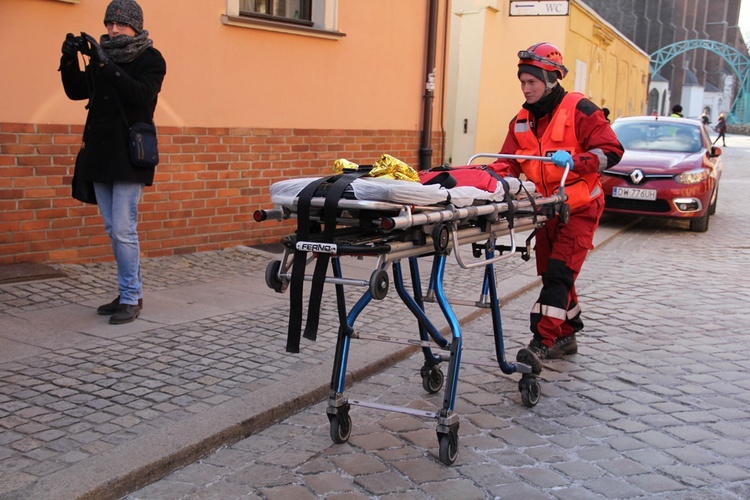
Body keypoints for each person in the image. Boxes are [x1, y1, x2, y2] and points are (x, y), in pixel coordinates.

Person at [489, 42, 623, 374]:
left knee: (559, 273)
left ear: (550, 79)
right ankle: (567, 334)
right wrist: (487, 182)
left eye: (531, 82)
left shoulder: (580, 109)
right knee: (553, 273)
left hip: (581, 207)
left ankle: (542, 342)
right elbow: (507, 165)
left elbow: (613, 150)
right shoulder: (521, 121)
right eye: (522, 81)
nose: (525, 88)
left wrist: (576, 162)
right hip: (549, 210)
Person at [59, 0, 166, 324]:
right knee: (114, 229)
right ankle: (127, 292)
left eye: (119, 24)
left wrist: (106, 65)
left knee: (123, 230)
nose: (113, 29)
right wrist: (68, 58)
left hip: (129, 155)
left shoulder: (151, 58)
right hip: (101, 154)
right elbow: (76, 90)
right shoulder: (100, 58)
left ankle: (132, 298)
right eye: (109, 24)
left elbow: (141, 95)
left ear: (135, 25)